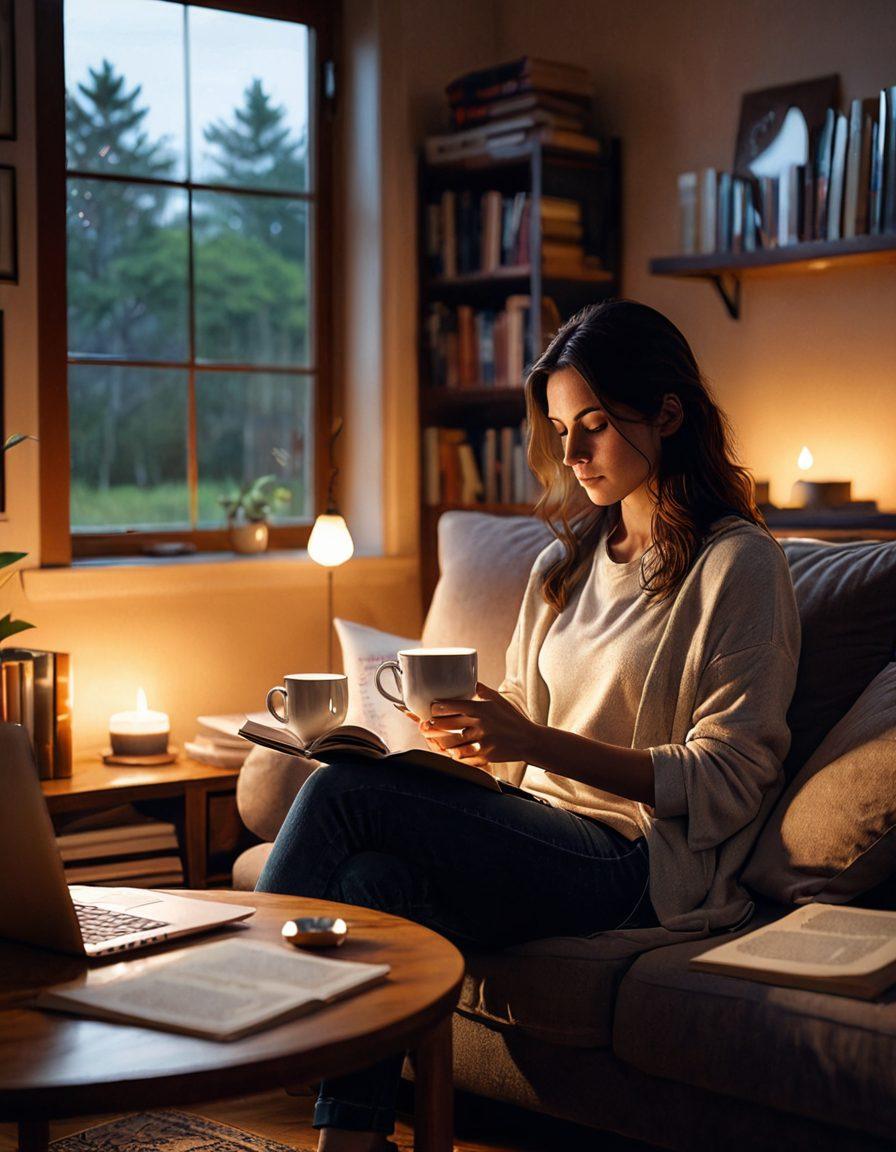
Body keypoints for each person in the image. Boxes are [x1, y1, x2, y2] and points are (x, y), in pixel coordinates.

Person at [257, 299, 801, 1152]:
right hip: (538, 831)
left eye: (593, 425)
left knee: (341, 793)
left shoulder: (737, 565)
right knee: (368, 885)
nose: (573, 454)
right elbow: (524, 733)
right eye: (559, 429)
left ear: (667, 411)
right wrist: (469, 742)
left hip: (630, 859)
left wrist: (532, 744)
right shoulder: (565, 562)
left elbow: (733, 776)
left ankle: (233, 997)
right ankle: (349, 1143)